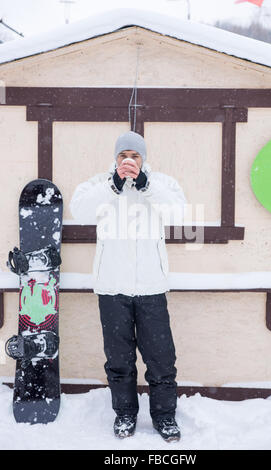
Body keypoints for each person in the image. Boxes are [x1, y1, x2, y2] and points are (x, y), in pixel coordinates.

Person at [70, 131, 187, 442]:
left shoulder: (160, 183)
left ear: (143, 158)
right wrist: (114, 185)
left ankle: (164, 417)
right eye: (124, 155)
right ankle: (125, 414)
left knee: (161, 359)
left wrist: (146, 185)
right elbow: (79, 211)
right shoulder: (100, 184)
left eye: (135, 156)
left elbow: (178, 213)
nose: (129, 161)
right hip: (112, 289)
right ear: (115, 158)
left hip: (152, 289)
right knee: (119, 360)